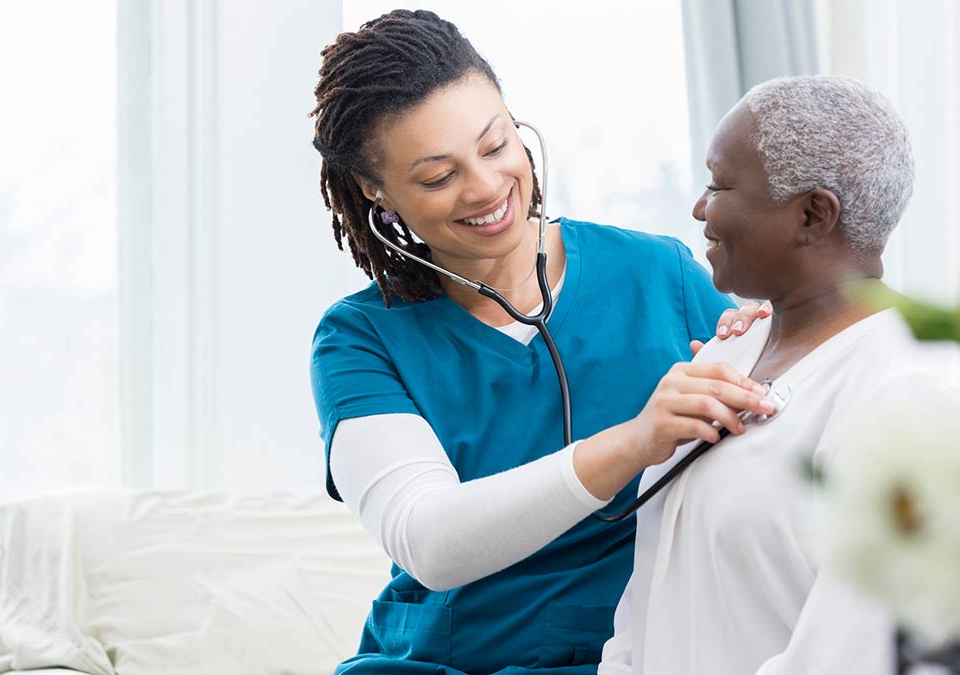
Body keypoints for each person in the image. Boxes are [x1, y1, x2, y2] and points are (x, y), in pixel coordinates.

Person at [308, 10, 770, 674]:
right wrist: (635, 441)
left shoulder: (657, 275)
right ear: (376, 192)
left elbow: (787, 436)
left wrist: (767, 351)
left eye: (496, 145)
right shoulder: (359, 339)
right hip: (443, 662)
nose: (486, 187)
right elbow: (430, 542)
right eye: (438, 177)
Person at [597, 75, 960, 675]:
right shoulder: (726, 351)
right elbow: (648, 602)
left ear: (812, 215)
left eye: (720, 184)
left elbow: (849, 657)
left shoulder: (912, 386)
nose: (699, 208)